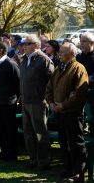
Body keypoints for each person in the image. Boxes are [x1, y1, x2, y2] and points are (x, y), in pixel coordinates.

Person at [45, 42, 88, 182]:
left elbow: (79, 93)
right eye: (60, 51)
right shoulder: (58, 68)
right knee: (63, 142)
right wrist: (51, 103)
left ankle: (79, 172)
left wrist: (63, 105)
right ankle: (67, 168)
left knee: (75, 142)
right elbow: (49, 88)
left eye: (63, 51)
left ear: (72, 53)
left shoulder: (78, 68)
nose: (59, 54)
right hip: (59, 112)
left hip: (72, 112)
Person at [20, 35, 54, 170]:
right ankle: (33, 159)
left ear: (36, 45)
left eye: (28, 43)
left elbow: (52, 82)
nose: (24, 46)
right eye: (24, 44)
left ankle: (43, 161)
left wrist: (46, 98)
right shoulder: (24, 59)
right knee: (28, 133)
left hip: (38, 102)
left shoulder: (43, 60)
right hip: (25, 101)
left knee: (40, 133)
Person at [0, 41, 20, 161]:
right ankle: (4, 152)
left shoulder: (11, 64)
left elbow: (18, 82)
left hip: (8, 102)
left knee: (10, 129)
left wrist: (17, 99)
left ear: (1, 50)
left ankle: (12, 154)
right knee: (1, 128)